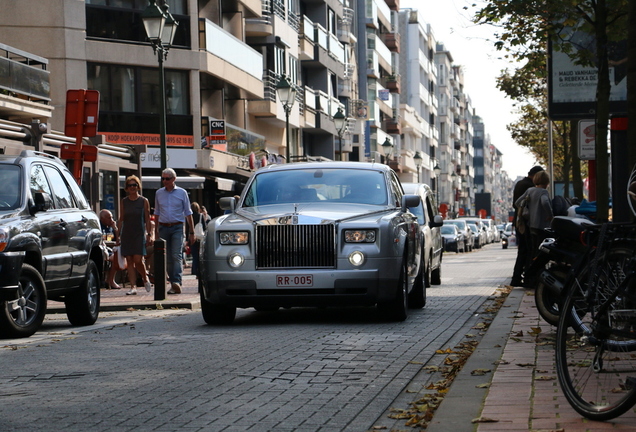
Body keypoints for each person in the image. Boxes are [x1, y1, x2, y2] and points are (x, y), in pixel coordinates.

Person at [154, 168, 194, 294]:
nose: (164, 181)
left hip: (177, 226)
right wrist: (155, 230)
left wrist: (191, 232)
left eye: (167, 178)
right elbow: (157, 213)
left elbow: (188, 213)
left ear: (174, 179)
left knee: (176, 255)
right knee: (168, 258)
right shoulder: (159, 193)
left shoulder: (182, 193)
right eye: (163, 178)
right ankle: (173, 283)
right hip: (163, 227)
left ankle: (176, 281)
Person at [117, 175, 153, 296]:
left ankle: (145, 278)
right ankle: (133, 287)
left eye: (135, 185)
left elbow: (147, 219)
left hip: (138, 233)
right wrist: (118, 234)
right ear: (126, 188)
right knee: (129, 260)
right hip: (127, 233)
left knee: (138, 259)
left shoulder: (144, 201)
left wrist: (149, 234)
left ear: (138, 187)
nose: (132, 187)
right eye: (130, 185)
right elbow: (121, 218)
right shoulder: (124, 201)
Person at [511, 165, 543, 287]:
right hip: (525, 223)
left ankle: (517, 277)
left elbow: (516, 203)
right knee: (528, 250)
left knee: (523, 251)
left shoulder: (521, 183)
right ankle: (527, 278)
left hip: (520, 222)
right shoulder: (529, 186)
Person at [516, 170, 553, 262]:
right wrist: (550, 215)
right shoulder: (543, 192)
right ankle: (538, 269)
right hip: (542, 225)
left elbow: (517, 202)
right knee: (541, 249)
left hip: (531, 224)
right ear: (547, 182)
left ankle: (531, 268)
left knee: (532, 249)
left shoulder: (529, 191)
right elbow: (545, 202)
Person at [99, 209, 121, 290]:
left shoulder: (111, 227)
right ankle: (110, 280)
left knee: (119, 256)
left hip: (112, 250)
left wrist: (115, 229)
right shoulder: (99, 227)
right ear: (102, 219)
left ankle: (110, 280)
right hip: (104, 250)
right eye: (108, 218)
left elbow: (118, 241)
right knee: (116, 258)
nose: (111, 220)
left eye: (111, 217)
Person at [188, 202, 205, 278]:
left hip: (191, 236)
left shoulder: (189, 217)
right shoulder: (201, 216)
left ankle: (193, 270)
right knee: (199, 254)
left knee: (194, 254)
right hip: (199, 237)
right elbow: (204, 227)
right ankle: (198, 270)